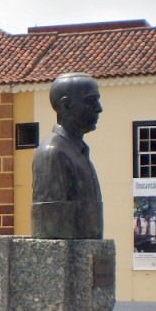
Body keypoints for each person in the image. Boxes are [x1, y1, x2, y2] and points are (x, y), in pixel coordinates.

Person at [31, 73, 104, 239]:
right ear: (66, 105)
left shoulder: (78, 151)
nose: (99, 108)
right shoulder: (53, 154)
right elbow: (51, 229)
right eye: (90, 101)